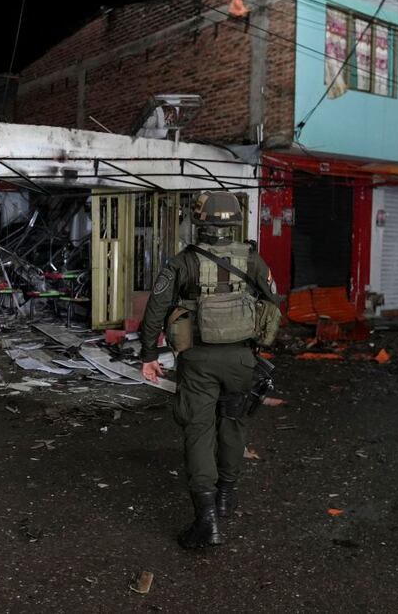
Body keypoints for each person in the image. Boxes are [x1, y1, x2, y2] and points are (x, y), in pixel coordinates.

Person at [139, 191, 277, 549]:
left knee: (199, 430)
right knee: (233, 422)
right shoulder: (252, 259)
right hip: (242, 360)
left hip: (198, 360)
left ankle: (207, 522)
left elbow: (156, 307)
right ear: (233, 224)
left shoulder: (182, 262)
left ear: (198, 223)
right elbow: (273, 302)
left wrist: (149, 353)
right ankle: (226, 497)